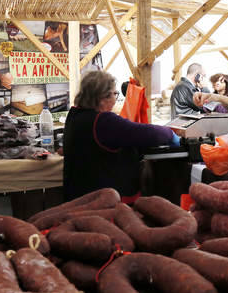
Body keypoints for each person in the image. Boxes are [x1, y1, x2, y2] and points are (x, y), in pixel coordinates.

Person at [63, 71, 179, 202]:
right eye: (115, 94)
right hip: (104, 203)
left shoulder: (74, 116)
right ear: (103, 97)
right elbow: (147, 133)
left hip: (78, 197)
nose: (115, 99)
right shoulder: (103, 121)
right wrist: (170, 134)